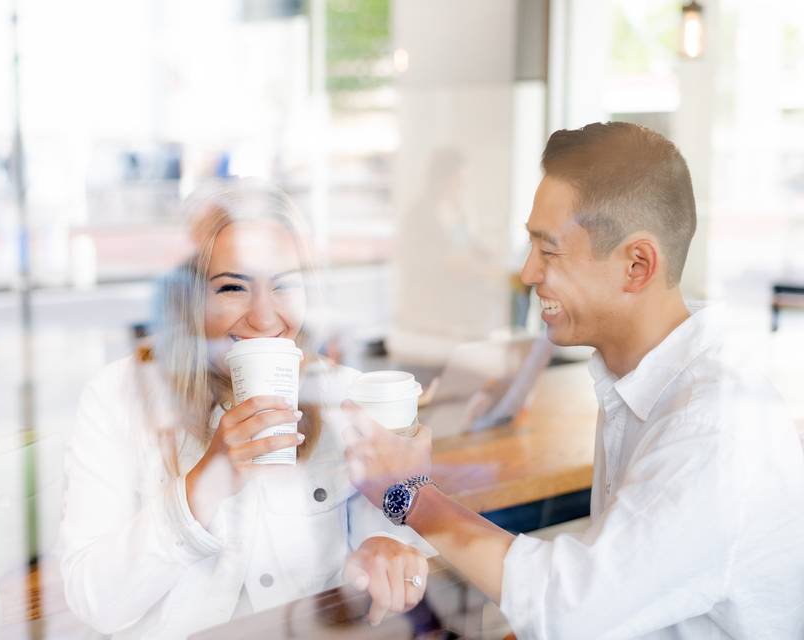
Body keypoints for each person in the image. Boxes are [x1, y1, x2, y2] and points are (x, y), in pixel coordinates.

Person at [341, 122, 804, 637]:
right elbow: (613, 584)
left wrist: (410, 494)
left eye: (549, 250)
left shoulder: (711, 430)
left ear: (636, 265)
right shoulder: (640, 378)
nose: (527, 272)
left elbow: (573, 606)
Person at [59, 180, 431, 639]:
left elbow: (398, 534)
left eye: (285, 286)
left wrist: (387, 547)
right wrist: (205, 482)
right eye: (233, 287)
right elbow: (94, 602)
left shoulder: (344, 395)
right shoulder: (120, 397)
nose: (265, 318)